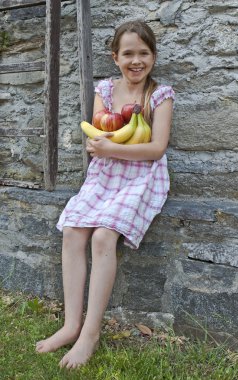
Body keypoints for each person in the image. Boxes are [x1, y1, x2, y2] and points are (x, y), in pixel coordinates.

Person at [36, 19, 174, 369]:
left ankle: (91, 332)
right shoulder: (106, 90)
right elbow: (98, 132)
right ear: (115, 57)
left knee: (103, 237)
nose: (136, 60)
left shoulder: (160, 95)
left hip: (142, 176)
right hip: (105, 175)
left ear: (153, 57)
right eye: (128, 53)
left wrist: (110, 148)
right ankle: (71, 324)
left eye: (144, 53)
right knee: (72, 230)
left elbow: (156, 148)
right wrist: (103, 144)